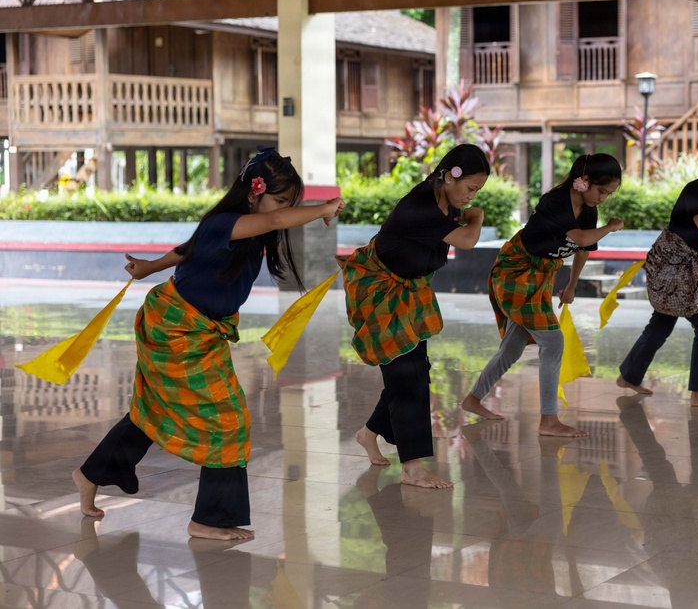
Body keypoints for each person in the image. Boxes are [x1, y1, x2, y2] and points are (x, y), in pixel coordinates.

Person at [72, 146, 346, 540]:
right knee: (228, 419)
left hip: (200, 329)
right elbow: (275, 219)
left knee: (157, 407)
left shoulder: (248, 229)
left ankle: (92, 473)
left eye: (288, 202)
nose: (283, 210)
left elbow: (190, 248)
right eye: (280, 198)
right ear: (255, 192)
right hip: (175, 328)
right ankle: (209, 519)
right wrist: (322, 208)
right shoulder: (228, 221)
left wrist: (149, 266)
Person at [347, 144, 490, 489]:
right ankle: (411, 467)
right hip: (381, 295)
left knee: (411, 373)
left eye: (476, 192)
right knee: (405, 376)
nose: (471, 197)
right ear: (450, 174)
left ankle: (368, 433)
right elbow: (468, 241)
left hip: (406, 293)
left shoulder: (443, 203)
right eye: (470, 188)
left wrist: (467, 211)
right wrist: (478, 216)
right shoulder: (421, 208)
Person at [461, 153, 624, 437]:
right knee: (552, 340)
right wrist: (610, 227)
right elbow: (584, 238)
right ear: (584, 181)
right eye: (602, 191)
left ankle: (473, 400)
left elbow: (584, 250)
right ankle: (548, 420)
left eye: (608, 194)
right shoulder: (555, 201)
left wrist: (572, 285)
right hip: (515, 271)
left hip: (540, 276)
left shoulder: (588, 210)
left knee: (512, 349)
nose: (603, 199)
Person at [616, 138, 698, 408]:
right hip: (670, 264)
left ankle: (629, 376)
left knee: (662, 323)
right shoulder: (697, 191)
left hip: (684, 263)